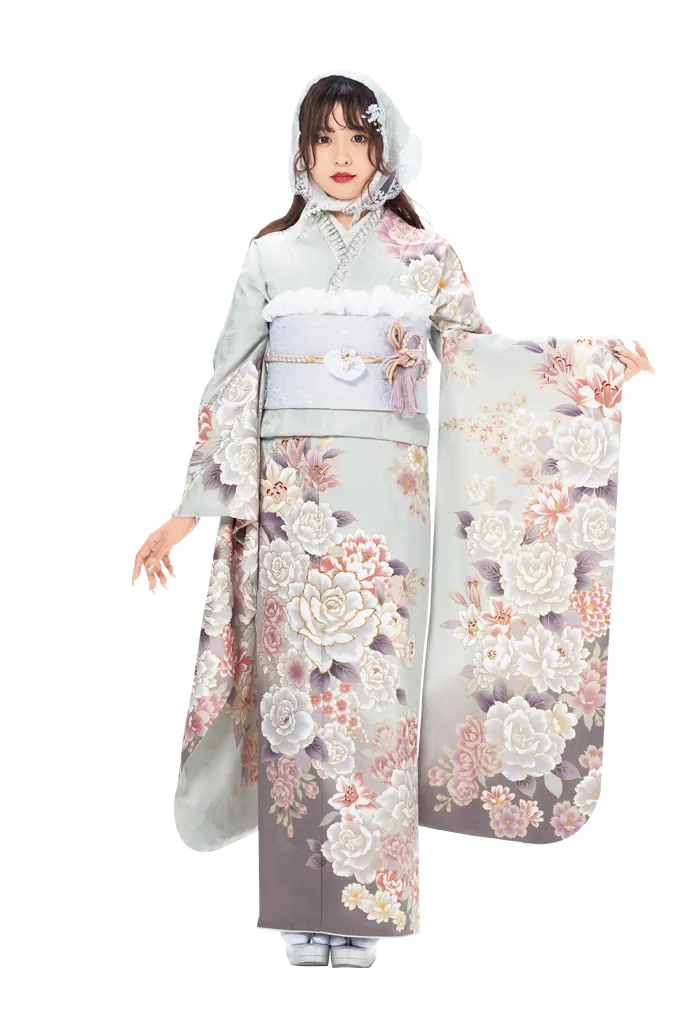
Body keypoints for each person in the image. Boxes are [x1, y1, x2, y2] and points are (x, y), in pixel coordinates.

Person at [132, 70, 654, 969]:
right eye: (322, 139)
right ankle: (298, 907)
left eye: (357, 138)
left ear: (383, 149)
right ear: (299, 152)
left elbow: (479, 361)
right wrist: (187, 512)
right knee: (298, 698)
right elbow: (228, 380)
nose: (340, 157)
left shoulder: (426, 254)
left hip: (388, 502)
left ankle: (366, 908)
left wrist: (591, 367)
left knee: (374, 693)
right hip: (292, 504)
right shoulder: (270, 256)